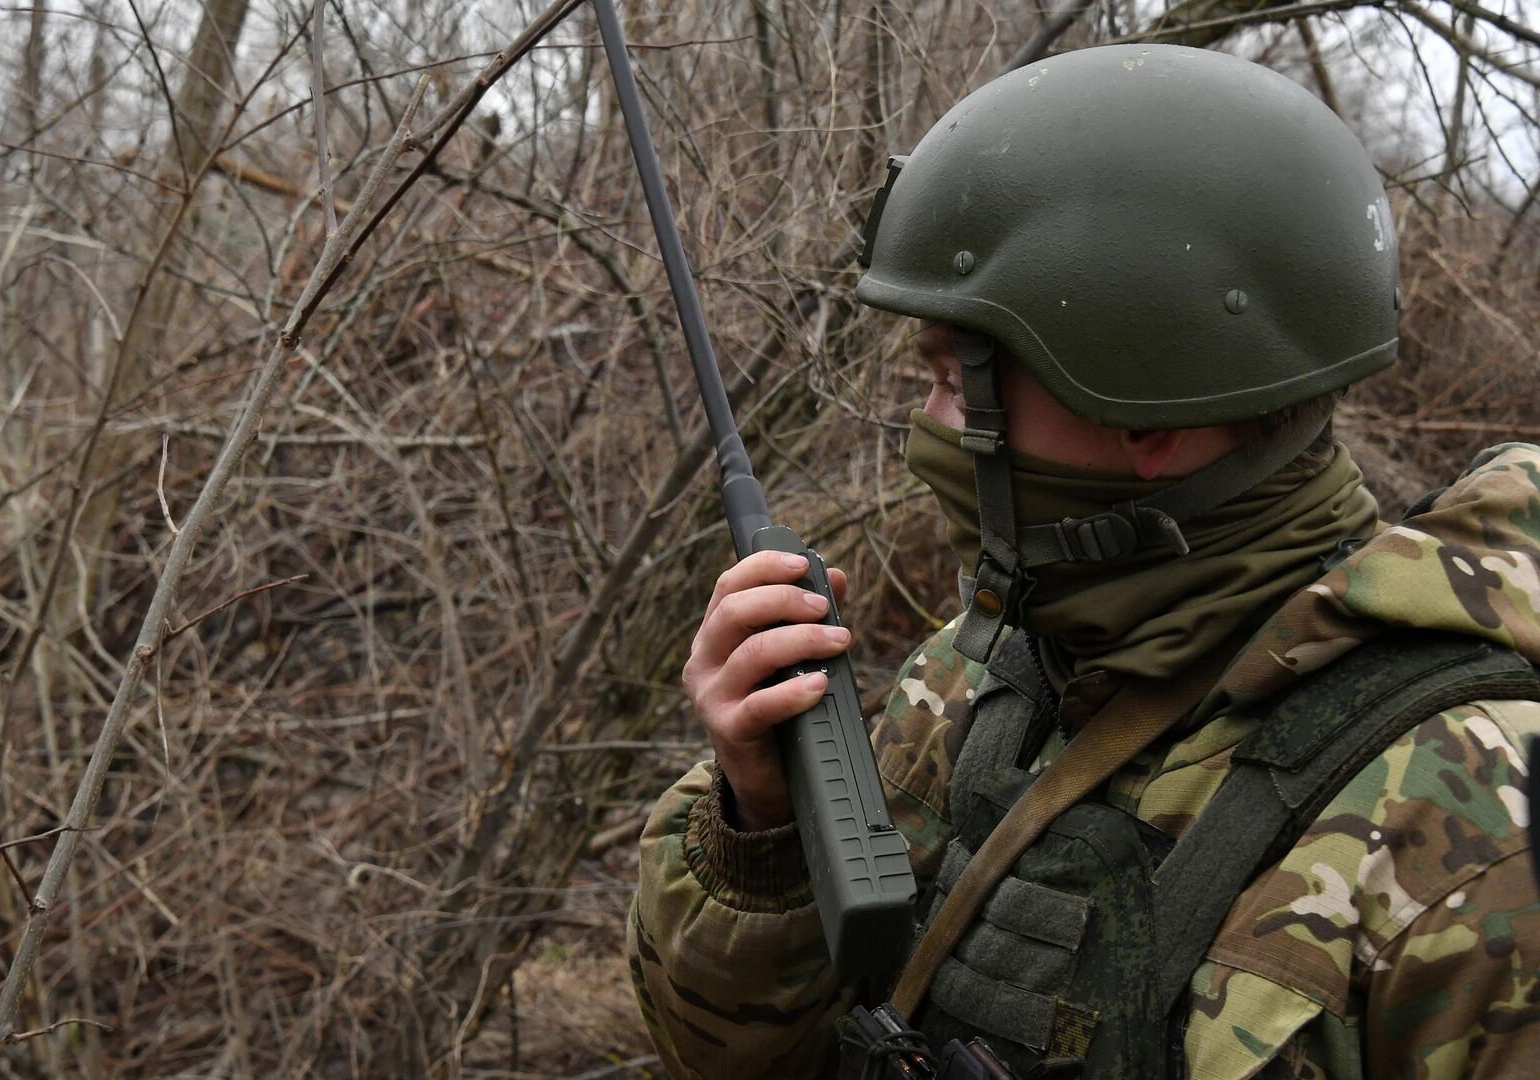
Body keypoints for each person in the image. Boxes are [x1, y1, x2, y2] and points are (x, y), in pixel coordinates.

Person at [626, 43, 1540, 1079]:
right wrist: (763, 822)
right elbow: (742, 1056)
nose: (925, 427)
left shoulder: (1474, 833)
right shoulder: (979, 682)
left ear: (1143, 398)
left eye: (954, 381)